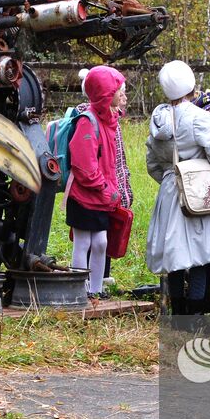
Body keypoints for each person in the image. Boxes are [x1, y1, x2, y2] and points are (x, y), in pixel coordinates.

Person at [146, 61, 210, 322]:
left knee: (175, 255)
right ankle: (195, 318)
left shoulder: (158, 119)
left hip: (169, 190)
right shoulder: (199, 117)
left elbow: (151, 162)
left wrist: (168, 181)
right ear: (191, 86)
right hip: (199, 190)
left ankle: (178, 315)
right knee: (200, 254)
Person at [65, 66, 129, 304]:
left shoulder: (111, 121)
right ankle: (78, 286)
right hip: (85, 195)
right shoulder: (88, 122)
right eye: (119, 90)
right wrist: (105, 188)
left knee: (101, 242)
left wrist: (111, 190)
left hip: (102, 196)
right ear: (105, 93)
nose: (124, 95)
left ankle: (96, 287)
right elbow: (84, 166)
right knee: (83, 241)